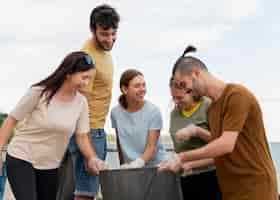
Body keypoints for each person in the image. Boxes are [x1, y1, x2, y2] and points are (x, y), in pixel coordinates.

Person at [159, 46, 278, 200]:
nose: (185, 91)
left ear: (196, 74)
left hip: (255, 187)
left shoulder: (237, 95)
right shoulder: (212, 109)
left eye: (184, 84)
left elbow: (225, 145)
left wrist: (181, 157)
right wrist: (188, 165)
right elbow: (216, 151)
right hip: (230, 189)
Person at [0, 51, 107, 200]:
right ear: (69, 73)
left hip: (50, 165)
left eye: (90, 78)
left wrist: (92, 158)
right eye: (84, 77)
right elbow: (11, 120)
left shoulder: (81, 102)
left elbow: (82, 137)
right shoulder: (39, 92)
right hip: (22, 157)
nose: (87, 83)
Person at [68, 4, 120, 200]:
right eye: (104, 34)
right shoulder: (87, 58)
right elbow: (79, 101)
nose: (110, 39)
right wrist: (88, 147)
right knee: (85, 194)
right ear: (93, 30)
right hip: (88, 132)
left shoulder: (103, 52)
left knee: (83, 192)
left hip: (95, 128)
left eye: (113, 33)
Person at [168, 75, 221, 200]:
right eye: (173, 98)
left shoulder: (208, 106)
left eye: (180, 97)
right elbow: (179, 149)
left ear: (191, 91)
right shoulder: (174, 114)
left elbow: (220, 145)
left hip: (209, 176)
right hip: (185, 176)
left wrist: (197, 131)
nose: (176, 102)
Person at [110, 69, 167, 168]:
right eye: (137, 86)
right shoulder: (115, 113)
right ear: (124, 89)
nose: (142, 89)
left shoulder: (153, 111)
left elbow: (151, 147)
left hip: (157, 167)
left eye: (143, 85)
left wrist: (137, 164)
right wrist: (123, 165)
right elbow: (120, 143)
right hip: (131, 168)